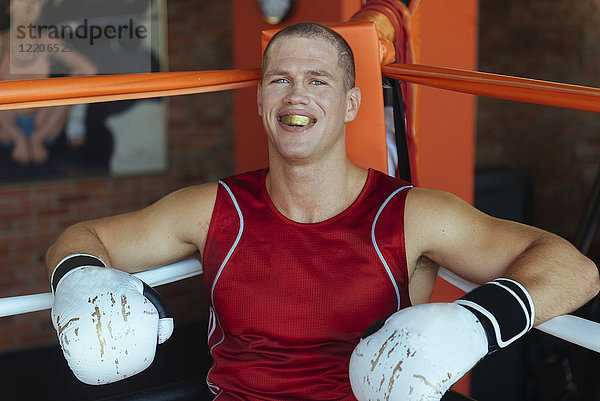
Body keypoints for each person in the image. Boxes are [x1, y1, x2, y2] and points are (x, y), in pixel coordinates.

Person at [45, 22, 599, 400]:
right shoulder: (214, 208)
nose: (296, 97)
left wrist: (481, 322)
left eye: (318, 81)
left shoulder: (410, 215)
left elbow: (574, 269)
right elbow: (83, 234)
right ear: (261, 97)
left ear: (351, 104)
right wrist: (79, 280)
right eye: (280, 80)